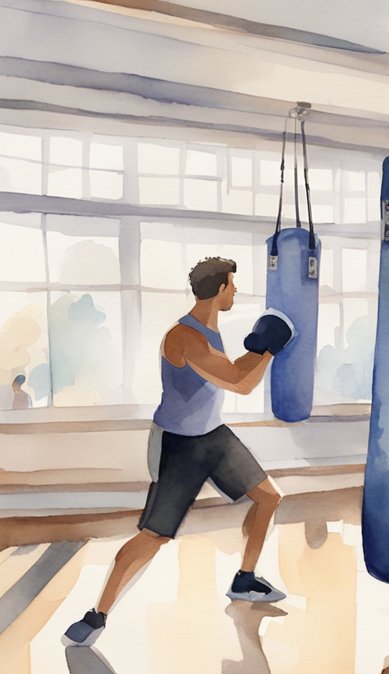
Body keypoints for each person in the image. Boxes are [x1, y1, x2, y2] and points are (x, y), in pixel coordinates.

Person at [63, 258, 289, 647]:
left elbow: (233, 374)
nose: (235, 292)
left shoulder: (211, 330)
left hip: (213, 436)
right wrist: (267, 348)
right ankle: (96, 615)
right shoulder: (185, 337)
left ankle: (245, 579)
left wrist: (260, 350)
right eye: (232, 286)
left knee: (268, 496)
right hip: (181, 445)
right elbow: (239, 382)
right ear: (219, 289)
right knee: (154, 536)